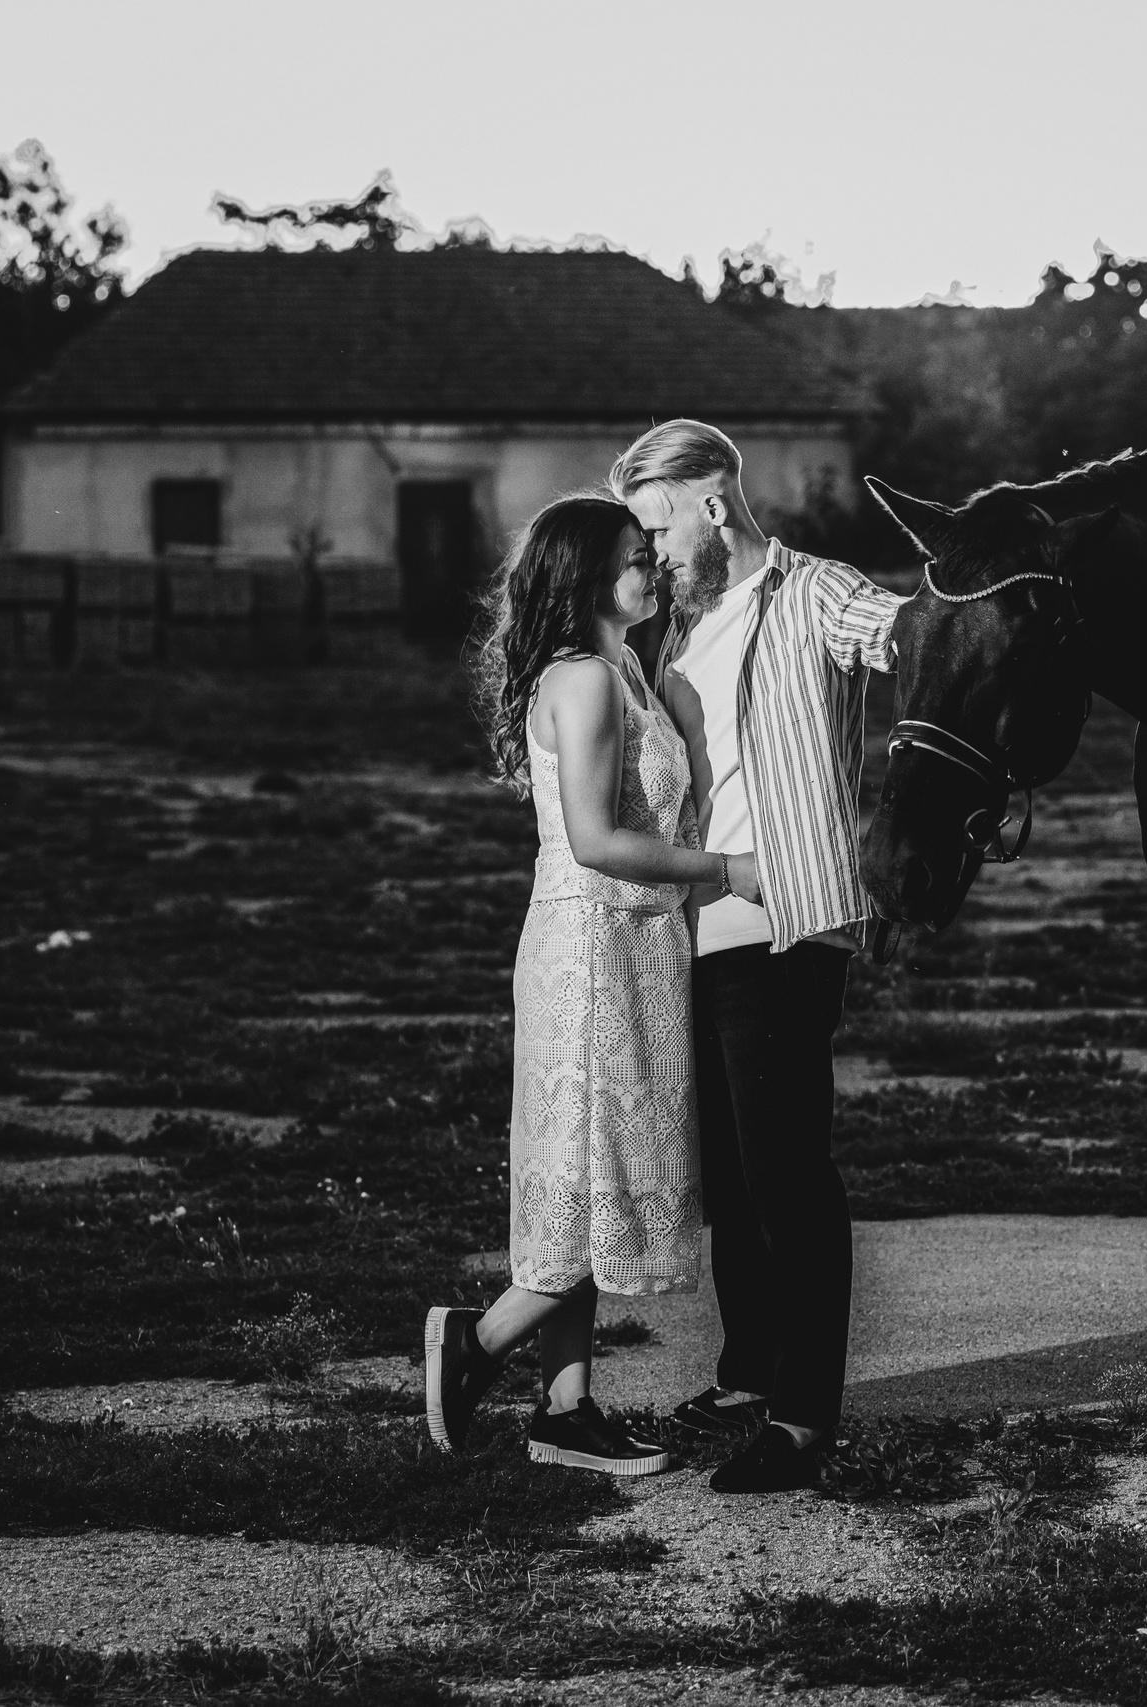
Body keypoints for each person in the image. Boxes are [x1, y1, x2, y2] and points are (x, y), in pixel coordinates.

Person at [424, 492, 755, 1475]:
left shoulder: (626, 672)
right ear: (580, 580)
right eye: (629, 560)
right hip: (593, 949)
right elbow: (597, 841)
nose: (650, 570)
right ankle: (470, 1347)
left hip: (635, 948)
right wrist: (730, 872)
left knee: (583, 1183)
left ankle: (565, 1413)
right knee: (587, 1181)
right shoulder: (586, 681)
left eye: (648, 554)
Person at [613, 420, 904, 1494]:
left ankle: (802, 1417)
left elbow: (909, 637)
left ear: (713, 506)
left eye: (656, 528)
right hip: (681, 929)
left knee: (784, 1172)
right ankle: (746, 1372)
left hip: (782, 921)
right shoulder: (672, 628)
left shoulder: (814, 591)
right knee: (725, 1181)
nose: (650, 554)